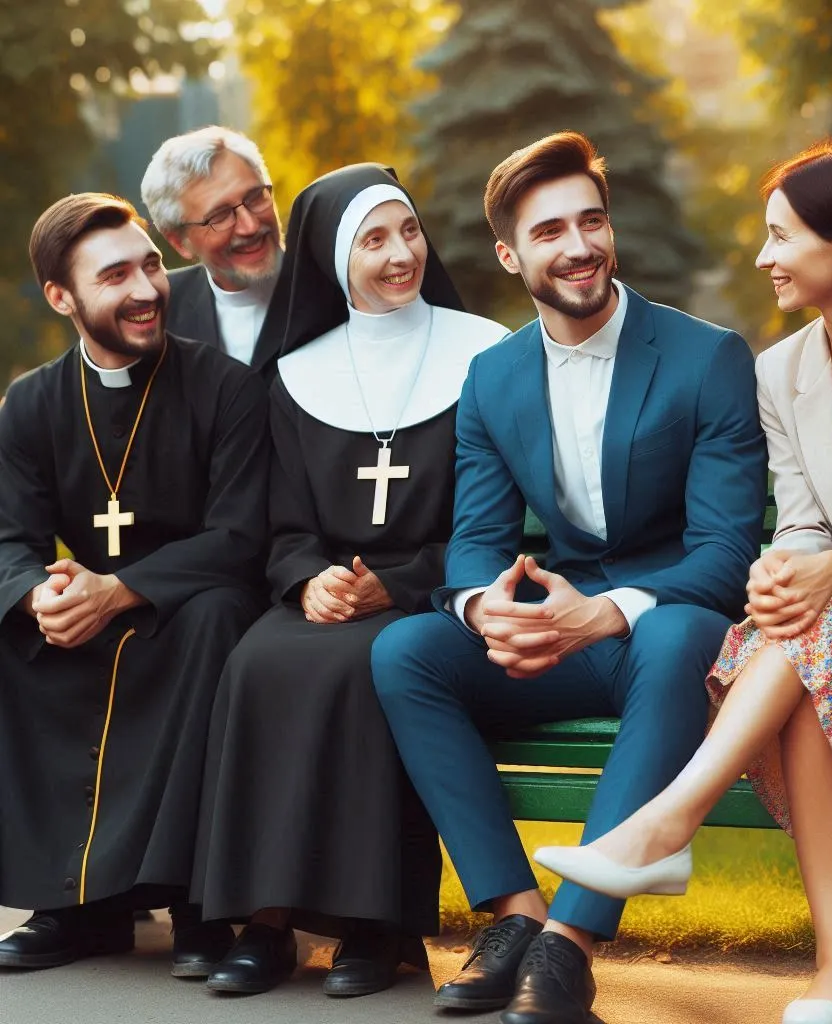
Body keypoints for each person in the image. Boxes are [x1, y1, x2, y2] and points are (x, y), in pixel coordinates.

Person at [533, 137, 832, 1024]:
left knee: (820, 631)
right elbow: (800, 520)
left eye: (780, 236)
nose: (763, 258)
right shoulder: (780, 370)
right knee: (800, 640)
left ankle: (668, 824)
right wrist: (781, 569)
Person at [370, 132, 767, 1024]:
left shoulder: (707, 359)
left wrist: (609, 613)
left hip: (653, 628)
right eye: (550, 231)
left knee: (678, 634)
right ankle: (515, 916)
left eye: (592, 220)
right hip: (552, 628)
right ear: (511, 254)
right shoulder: (492, 377)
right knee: (406, 652)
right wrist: (486, 611)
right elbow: (475, 540)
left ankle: (569, 948)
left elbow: (725, 553)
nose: (579, 245)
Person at [191, 164, 510, 998]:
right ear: (335, 260)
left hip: (437, 592)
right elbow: (285, 525)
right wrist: (307, 582)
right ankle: (265, 921)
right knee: (259, 661)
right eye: (374, 239)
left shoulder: (482, 353)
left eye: (409, 231)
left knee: (373, 664)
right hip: (329, 592)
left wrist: (396, 585)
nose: (401, 253)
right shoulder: (298, 374)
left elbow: (488, 522)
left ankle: (380, 928)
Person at [0, 193, 269, 975]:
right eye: (116, 274)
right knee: (14, 634)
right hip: (86, 608)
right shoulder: (31, 404)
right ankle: (74, 905)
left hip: (191, 604)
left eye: (151, 263)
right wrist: (35, 597)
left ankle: (197, 902)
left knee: (217, 617)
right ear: (62, 297)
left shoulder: (226, 388)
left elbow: (240, 536)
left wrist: (120, 591)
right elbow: (8, 540)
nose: (149, 288)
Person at [141, 126, 286, 378]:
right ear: (179, 242)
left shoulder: (337, 284)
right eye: (218, 217)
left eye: (255, 197)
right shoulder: (157, 312)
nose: (249, 226)